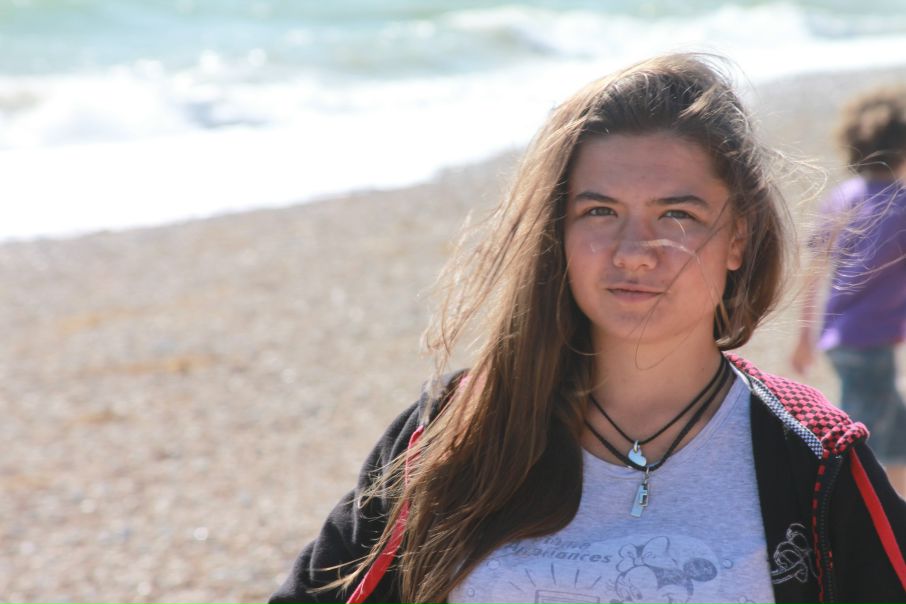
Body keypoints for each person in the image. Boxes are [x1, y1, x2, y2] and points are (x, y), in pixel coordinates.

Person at [272, 54, 906, 604]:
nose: (634, 252)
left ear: (737, 237)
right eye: (600, 210)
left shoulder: (813, 454)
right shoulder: (453, 429)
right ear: (561, 233)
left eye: (677, 215)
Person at [790, 87, 906, 498]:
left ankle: (892, 518)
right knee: (860, 449)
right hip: (870, 345)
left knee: (894, 437)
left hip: (838, 339)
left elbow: (813, 271)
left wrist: (804, 337)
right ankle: (844, 519)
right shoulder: (901, 202)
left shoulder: (842, 198)